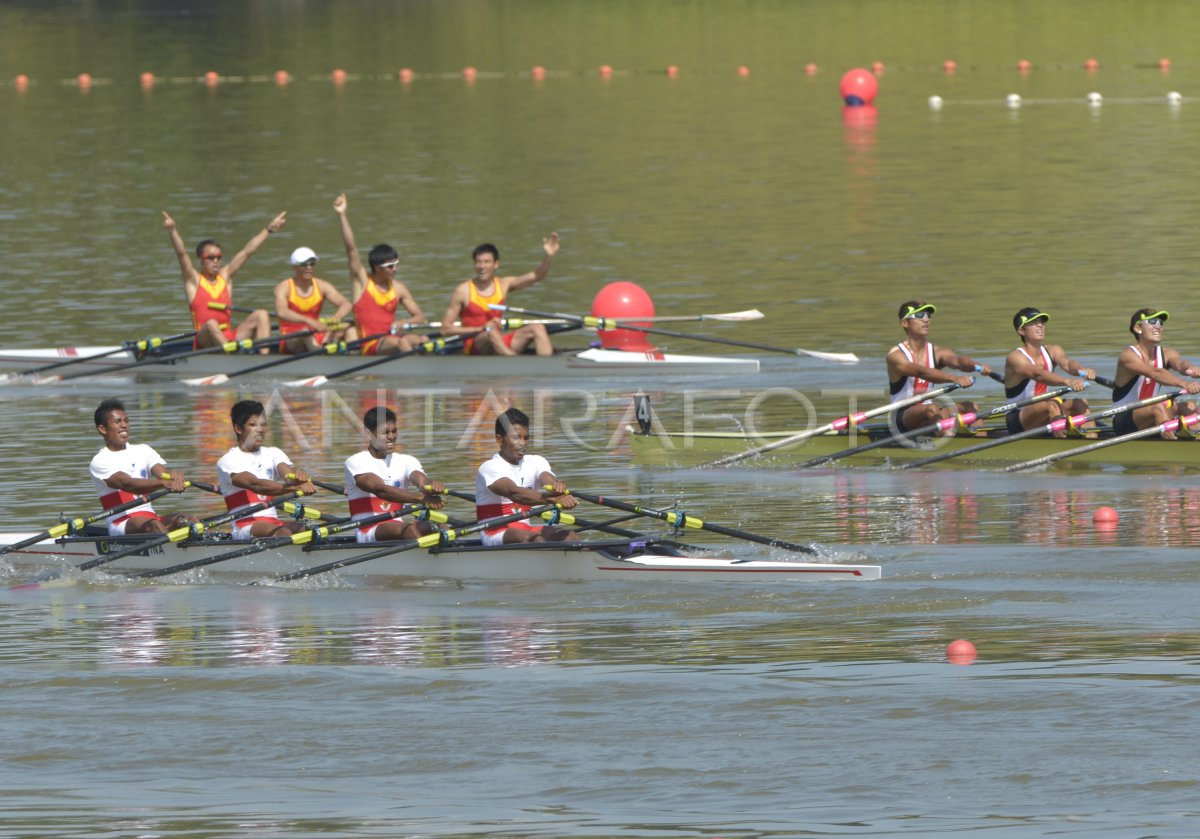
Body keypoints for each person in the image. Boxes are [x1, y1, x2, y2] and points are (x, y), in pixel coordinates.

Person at [162, 210, 283, 350]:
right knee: (211, 323)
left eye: (218, 257)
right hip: (204, 341)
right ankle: (230, 356)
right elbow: (181, 254)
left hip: (228, 337)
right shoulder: (193, 281)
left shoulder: (225, 277)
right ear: (201, 260)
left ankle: (263, 357)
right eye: (210, 257)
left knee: (261, 314)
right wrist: (172, 231)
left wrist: (269, 229)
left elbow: (247, 251)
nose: (215, 261)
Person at [333, 193, 429, 355]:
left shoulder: (399, 289)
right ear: (377, 268)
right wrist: (342, 214)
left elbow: (420, 317)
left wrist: (403, 322)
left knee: (424, 339)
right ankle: (412, 376)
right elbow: (351, 250)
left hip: (392, 338)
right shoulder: (362, 282)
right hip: (370, 343)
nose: (395, 269)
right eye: (390, 266)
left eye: (396, 264)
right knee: (402, 342)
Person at [440, 234, 560, 356]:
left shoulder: (504, 284)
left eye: (486, 262)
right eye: (478, 262)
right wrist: (479, 329)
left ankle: (547, 365)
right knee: (490, 331)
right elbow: (445, 329)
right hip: (474, 345)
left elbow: (536, 276)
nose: (482, 267)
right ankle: (513, 364)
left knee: (537, 327)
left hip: (498, 341)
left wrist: (548, 257)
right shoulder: (463, 291)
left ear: (496, 264)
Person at [89, 398, 192, 535]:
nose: (124, 425)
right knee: (154, 526)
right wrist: (163, 483)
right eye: (118, 421)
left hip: (151, 519)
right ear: (102, 429)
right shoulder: (100, 461)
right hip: (122, 523)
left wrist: (174, 475)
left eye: (126, 421)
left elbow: (162, 472)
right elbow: (128, 484)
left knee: (186, 519)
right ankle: (169, 548)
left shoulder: (143, 450)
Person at [216, 400, 317, 540]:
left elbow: (288, 475)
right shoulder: (228, 461)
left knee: (310, 531)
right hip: (245, 526)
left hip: (275, 525)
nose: (260, 430)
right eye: (253, 425)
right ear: (238, 429)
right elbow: (256, 485)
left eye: (263, 424)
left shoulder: (273, 453)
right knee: (285, 533)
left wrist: (298, 477)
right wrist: (295, 488)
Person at [475, 407, 578, 545]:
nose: (522, 443)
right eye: (516, 437)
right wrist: (552, 499)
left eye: (526, 438)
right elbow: (514, 493)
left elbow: (546, 477)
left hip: (526, 529)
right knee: (535, 539)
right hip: (495, 532)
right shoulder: (489, 467)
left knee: (568, 536)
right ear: (500, 439)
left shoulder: (536, 461)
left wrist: (556, 487)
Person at [886, 301, 990, 434]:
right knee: (931, 408)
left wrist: (976, 366)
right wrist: (954, 378)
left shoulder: (937, 352)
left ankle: (980, 442)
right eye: (919, 315)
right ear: (905, 323)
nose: (926, 320)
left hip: (930, 413)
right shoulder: (895, 356)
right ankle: (947, 443)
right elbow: (922, 372)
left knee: (970, 407)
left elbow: (957, 361)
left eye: (928, 315)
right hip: (902, 417)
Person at [343, 407, 446, 542]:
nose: (391, 437)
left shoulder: (406, 460)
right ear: (368, 434)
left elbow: (421, 481)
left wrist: (431, 485)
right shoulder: (356, 461)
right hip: (369, 530)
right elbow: (381, 490)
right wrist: (421, 498)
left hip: (399, 526)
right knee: (409, 529)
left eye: (394, 431)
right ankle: (429, 560)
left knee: (440, 527)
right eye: (385, 432)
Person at [1002, 307, 1095, 436]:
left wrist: (1081, 370)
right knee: (1050, 404)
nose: (1040, 325)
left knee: (1080, 403)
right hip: (1019, 416)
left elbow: (1067, 363)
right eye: (1034, 323)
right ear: (1021, 330)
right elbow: (1037, 374)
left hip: (1047, 409)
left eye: (1042, 322)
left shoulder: (1053, 350)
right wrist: (1067, 381)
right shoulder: (1015, 358)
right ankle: (1060, 442)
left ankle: (1091, 440)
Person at [1112, 309, 1200, 439]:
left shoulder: (1168, 353)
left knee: (1189, 406)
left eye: (1161, 323)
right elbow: (1156, 373)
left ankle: (1195, 439)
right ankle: (1172, 447)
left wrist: (1190, 369)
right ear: (1138, 328)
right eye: (1152, 322)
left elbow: (1181, 365)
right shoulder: (1128, 356)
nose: (1158, 326)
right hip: (1123, 420)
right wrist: (1184, 384)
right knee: (1157, 407)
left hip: (1151, 415)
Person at [273, 247, 355, 353]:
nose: (309, 268)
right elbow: (282, 312)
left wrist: (336, 317)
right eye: (304, 264)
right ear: (294, 267)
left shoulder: (322, 286)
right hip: (291, 338)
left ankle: (356, 358)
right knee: (306, 333)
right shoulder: (283, 288)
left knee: (350, 328)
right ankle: (322, 359)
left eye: (312, 263)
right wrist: (308, 320)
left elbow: (346, 304)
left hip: (317, 331)